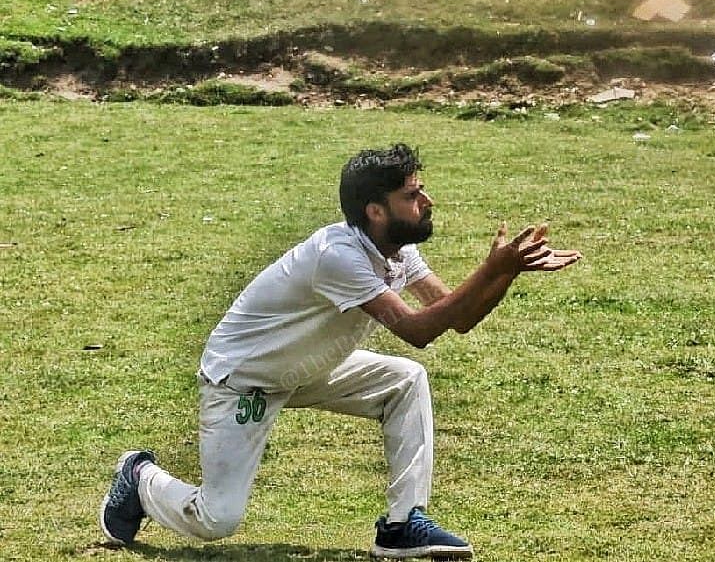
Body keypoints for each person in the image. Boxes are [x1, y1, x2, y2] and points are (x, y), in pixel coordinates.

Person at [99, 143, 581, 559]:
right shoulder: (339, 257)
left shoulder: (397, 250)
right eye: (412, 196)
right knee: (216, 520)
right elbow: (417, 329)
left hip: (310, 366)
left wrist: (506, 271)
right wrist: (494, 266)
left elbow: (454, 315)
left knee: (405, 379)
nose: (427, 202)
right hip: (247, 379)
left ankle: (400, 524)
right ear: (375, 210)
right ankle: (139, 477)